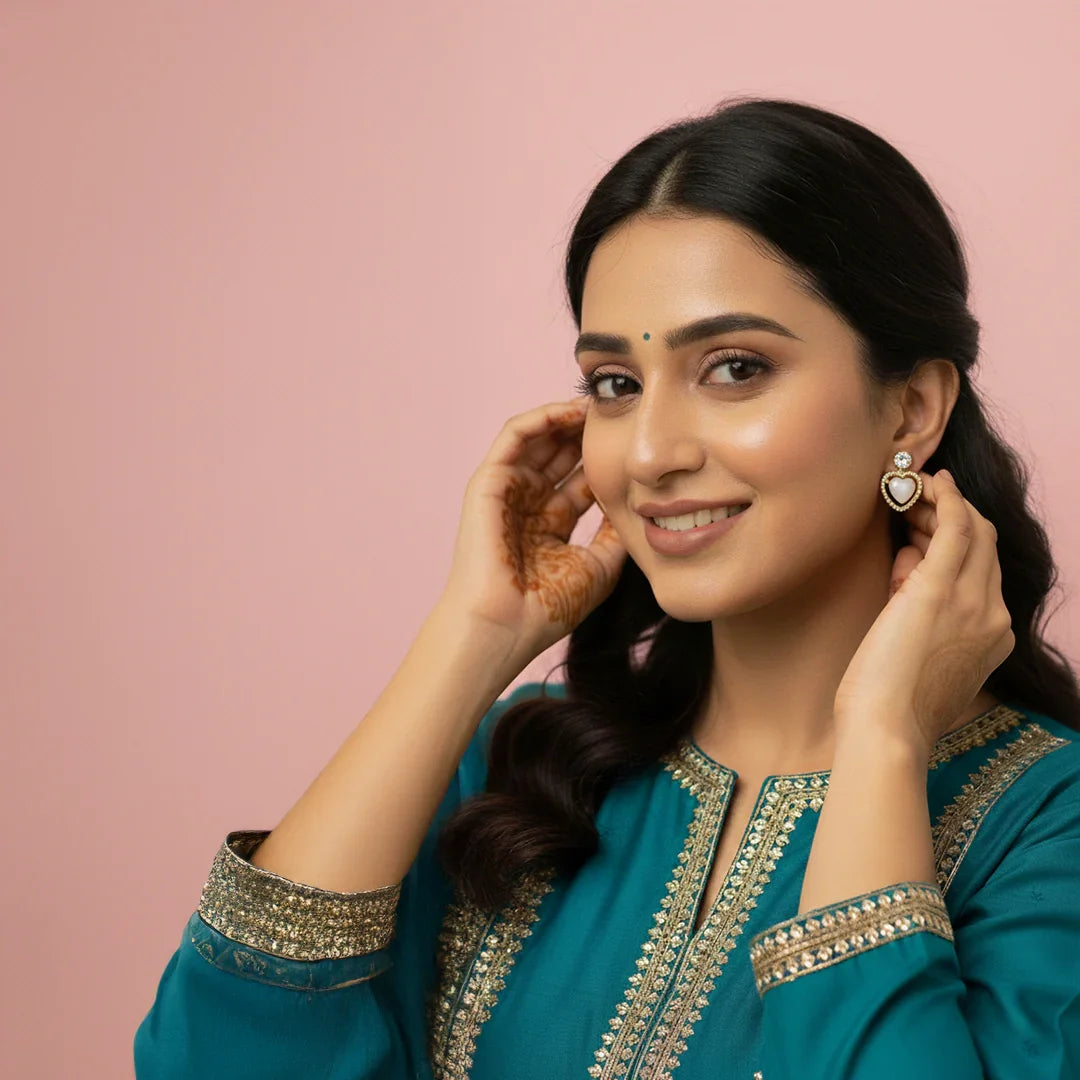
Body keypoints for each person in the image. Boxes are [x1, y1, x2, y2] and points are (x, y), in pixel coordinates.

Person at [133, 96, 1080, 1079]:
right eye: (616, 384)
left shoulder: (1049, 825)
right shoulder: (524, 773)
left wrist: (884, 740)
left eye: (736, 367)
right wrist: (472, 637)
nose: (653, 454)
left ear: (913, 406)